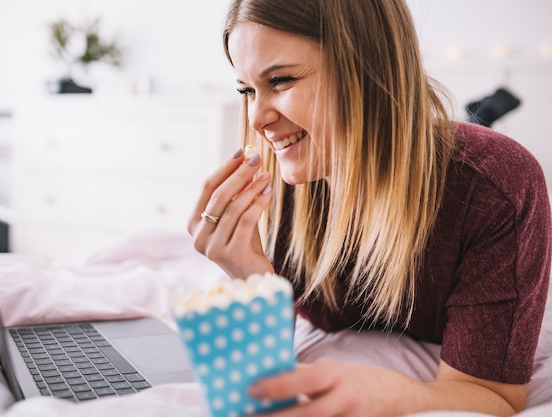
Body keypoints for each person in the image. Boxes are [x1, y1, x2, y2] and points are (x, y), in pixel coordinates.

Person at [187, 0, 552, 416]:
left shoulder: (495, 187)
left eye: (281, 80)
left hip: (447, 162)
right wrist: (252, 281)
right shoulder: (291, 172)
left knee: (470, 136)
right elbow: (263, 378)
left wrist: (395, 396)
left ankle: (481, 113)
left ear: (368, 67)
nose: (256, 119)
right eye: (246, 90)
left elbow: (493, 397)